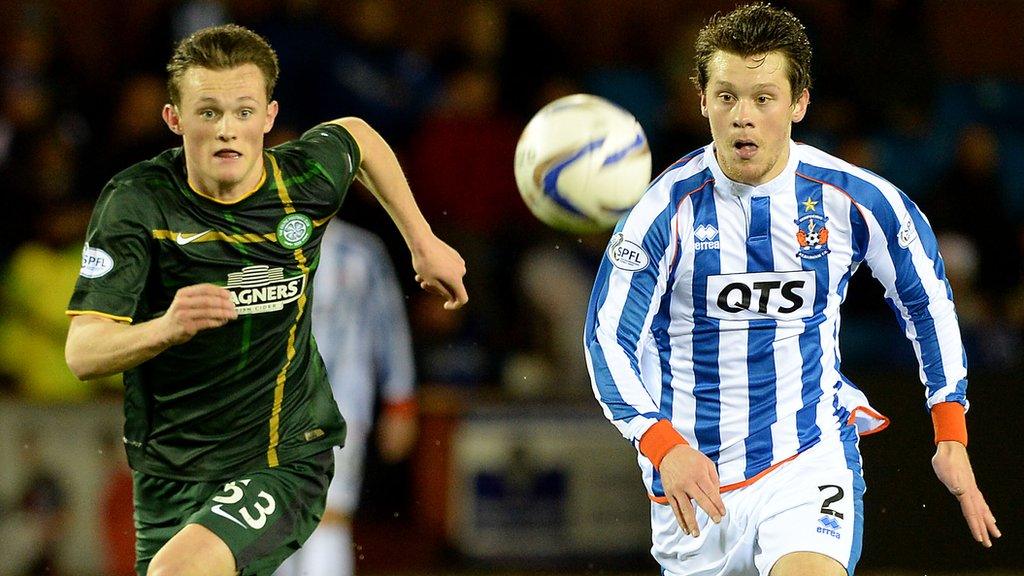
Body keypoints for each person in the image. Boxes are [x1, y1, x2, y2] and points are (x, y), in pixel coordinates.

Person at [583, 4, 999, 576]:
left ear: (799, 103)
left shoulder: (855, 200)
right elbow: (606, 338)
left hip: (808, 458)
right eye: (726, 96)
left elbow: (928, 301)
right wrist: (660, 444)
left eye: (763, 97)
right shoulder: (661, 213)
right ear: (702, 101)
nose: (742, 117)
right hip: (692, 480)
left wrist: (949, 427)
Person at [64, 24, 467, 576]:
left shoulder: (302, 182)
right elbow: (82, 352)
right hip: (171, 470)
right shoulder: (136, 204)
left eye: (244, 111)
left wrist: (423, 242)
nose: (227, 129)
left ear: (269, 118)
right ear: (174, 119)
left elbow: (357, 134)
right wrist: (166, 326)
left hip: (284, 455)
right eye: (208, 112)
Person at [274, 218, 418, 576]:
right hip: (263, 411)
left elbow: (389, 326)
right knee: (269, 523)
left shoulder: (360, 251)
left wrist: (401, 401)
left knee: (327, 516)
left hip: (340, 408)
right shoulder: (247, 246)